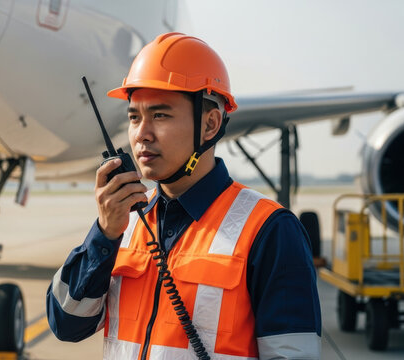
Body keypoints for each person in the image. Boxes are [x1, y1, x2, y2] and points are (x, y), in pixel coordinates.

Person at [46, 32, 321, 360]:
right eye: (134, 117)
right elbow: (66, 325)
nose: (141, 134)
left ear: (210, 125)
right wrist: (104, 235)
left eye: (160, 115)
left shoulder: (270, 230)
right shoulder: (125, 221)